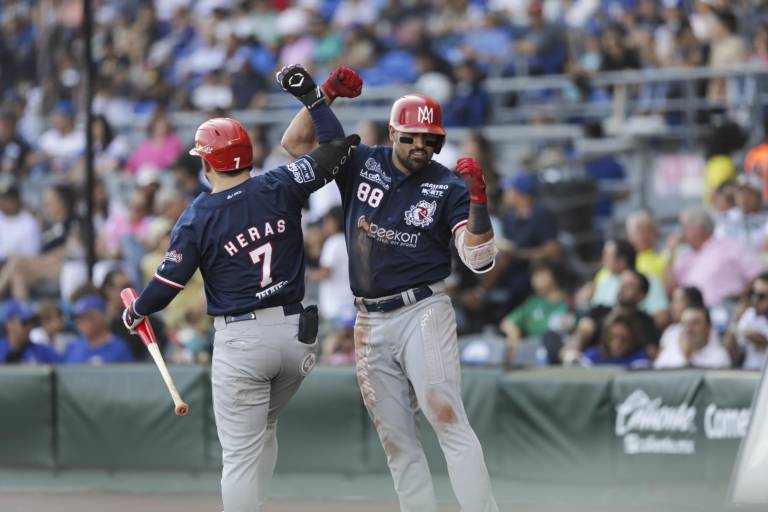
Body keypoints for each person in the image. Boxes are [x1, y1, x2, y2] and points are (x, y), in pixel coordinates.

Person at [281, 66, 499, 512]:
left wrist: (478, 201)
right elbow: (297, 145)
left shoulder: (447, 185)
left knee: (446, 415)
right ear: (394, 133)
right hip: (369, 318)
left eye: (430, 139)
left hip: (422, 309)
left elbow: (479, 259)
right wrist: (323, 95)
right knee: (397, 440)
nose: (421, 146)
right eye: (412, 137)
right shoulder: (362, 160)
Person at [121, 108, 359, 511]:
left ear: (207, 161)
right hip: (296, 337)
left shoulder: (198, 215)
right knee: (264, 428)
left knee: (240, 455)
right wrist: (321, 100)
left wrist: (136, 311)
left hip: (243, 340)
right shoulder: (280, 183)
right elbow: (336, 150)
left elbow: (167, 285)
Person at [666, 207, 762, 307]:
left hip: (729, 309)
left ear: (700, 228)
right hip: (695, 314)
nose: (681, 233)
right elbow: (671, 289)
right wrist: (670, 253)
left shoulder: (729, 246)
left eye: (685, 228)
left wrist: (743, 297)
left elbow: (757, 276)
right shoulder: (684, 257)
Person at [499, 259, 569, 364]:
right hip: (534, 355)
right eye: (534, 275)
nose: (534, 280)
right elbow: (507, 323)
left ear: (553, 276)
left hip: (562, 357)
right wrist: (514, 335)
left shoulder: (569, 302)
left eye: (539, 274)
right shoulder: (532, 304)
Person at [654, 305, 731, 369]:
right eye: (685, 324)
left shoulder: (720, 357)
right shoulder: (668, 354)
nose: (689, 329)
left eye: (695, 323)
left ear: (707, 328)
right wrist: (685, 357)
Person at [63, 294, 133, 364]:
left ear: (103, 317)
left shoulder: (119, 348)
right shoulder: (73, 346)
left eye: (88, 317)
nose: (81, 322)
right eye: (79, 318)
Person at [582, 314, 650, 369]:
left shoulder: (639, 358)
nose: (616, 344)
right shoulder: (593, 356)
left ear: (632, 340)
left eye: (623, 339)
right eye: (611, 338)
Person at [732, 274, 768, 370]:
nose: (755, 299)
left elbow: (763, 342)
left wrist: (747, 333)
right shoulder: (750, 314)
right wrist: (735, 319)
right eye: (752, 294)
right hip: (750, 372)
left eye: (761, 296)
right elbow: (731, 348)